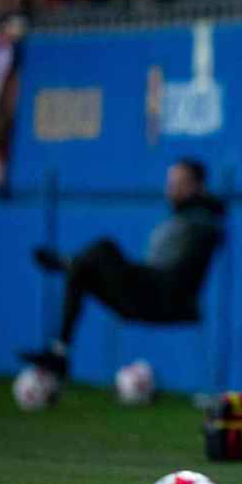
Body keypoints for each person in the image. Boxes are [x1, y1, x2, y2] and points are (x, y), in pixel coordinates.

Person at [20, 158, 226, 379]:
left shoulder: (205, 219)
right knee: (82, 270)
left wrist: (204, 201)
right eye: (170, 183)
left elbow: (211, 226)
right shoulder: (180, 217)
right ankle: (59, 352)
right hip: (144, 294)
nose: (171, 189)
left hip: (169, 298)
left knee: (104, 248)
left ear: (198, 186)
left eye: (179, 183)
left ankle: (68, 263)